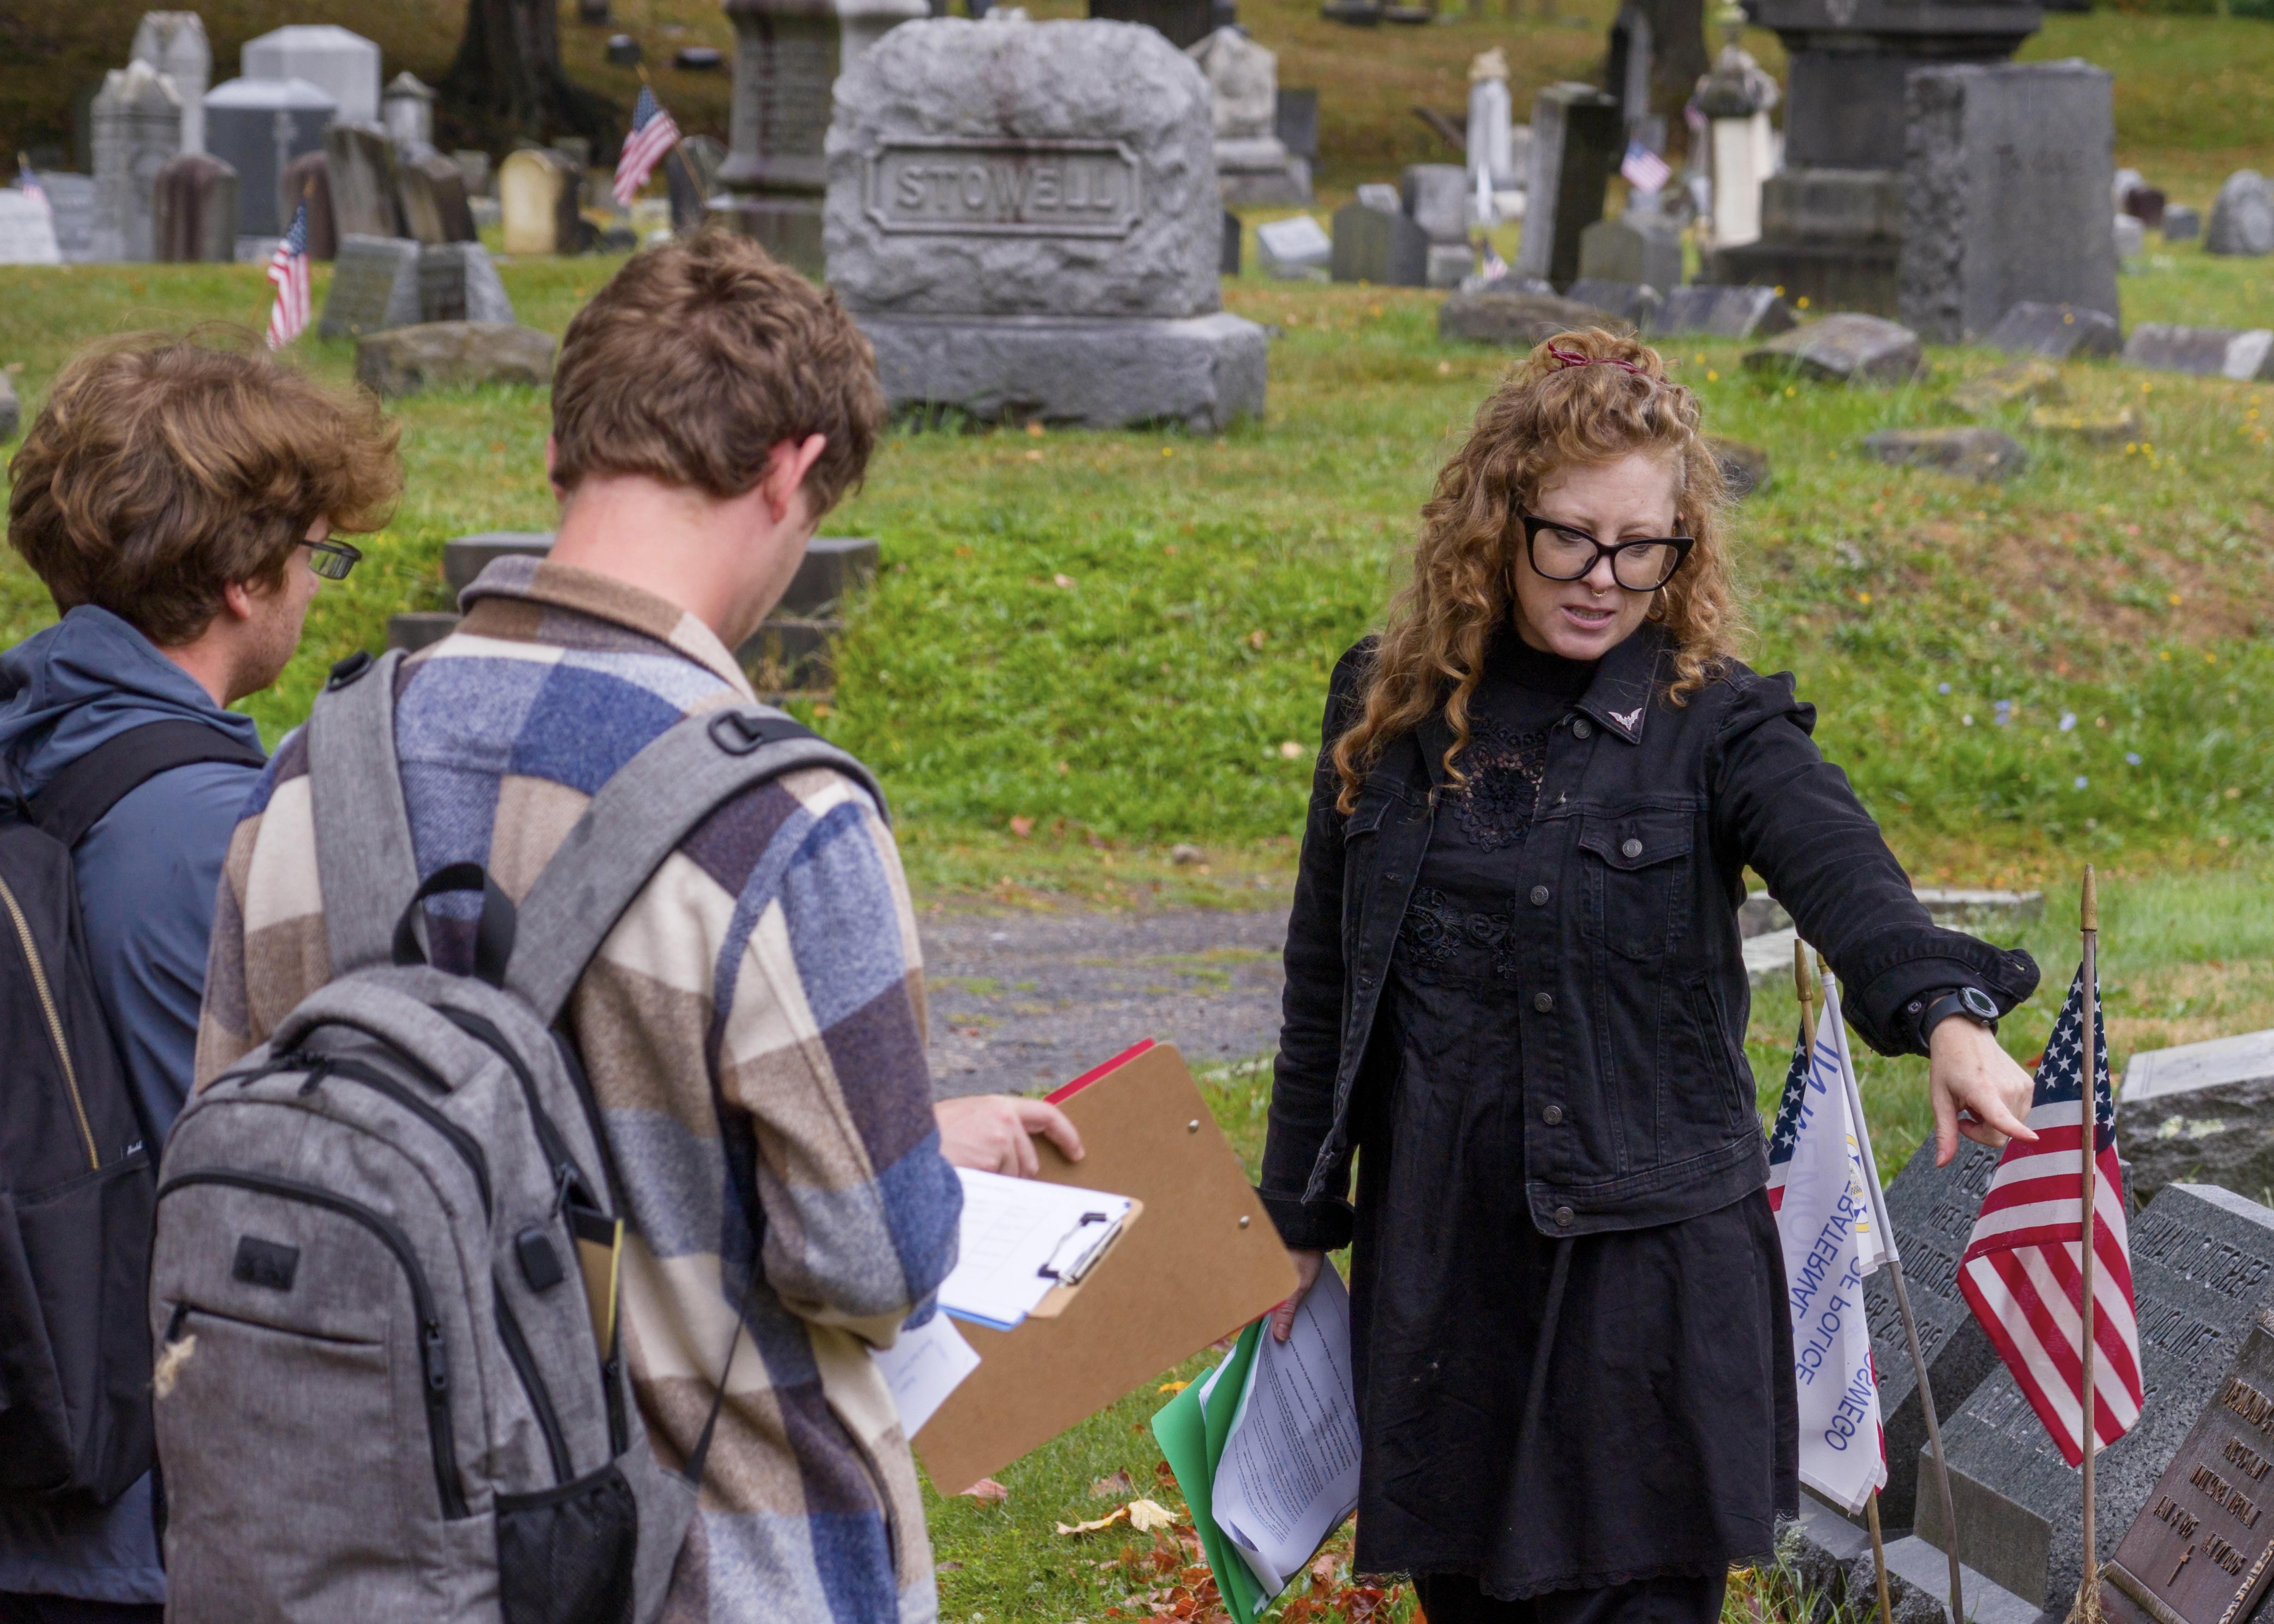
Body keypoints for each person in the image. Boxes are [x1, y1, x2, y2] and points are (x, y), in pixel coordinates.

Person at [195, 230, 1075, 1624]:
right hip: (717, 1569)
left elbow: (237, 1147)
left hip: (367, 1562)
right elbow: (871, 1261)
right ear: (791, 469)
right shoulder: (784, 817)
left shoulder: (309, 769)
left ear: (563, 452)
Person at [1258, 329, 2043, 1624]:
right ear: (1495, 519)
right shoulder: (1387, 702)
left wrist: (1943, 1012)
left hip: (1643, 1279)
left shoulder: (1714, 721)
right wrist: (1293, 1211)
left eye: (1644, 549)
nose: (1605, 580)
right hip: (1446, 1258)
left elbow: (1840, 866)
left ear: (1685, 549)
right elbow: (1323, 982)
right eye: (1571, 538)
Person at [0, 334, 399, 1624]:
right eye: (315, 556)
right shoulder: (223, 834)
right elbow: (289, 1203)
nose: (312, 591)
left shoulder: (28, 731)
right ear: (240, 577)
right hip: (140, 1524)